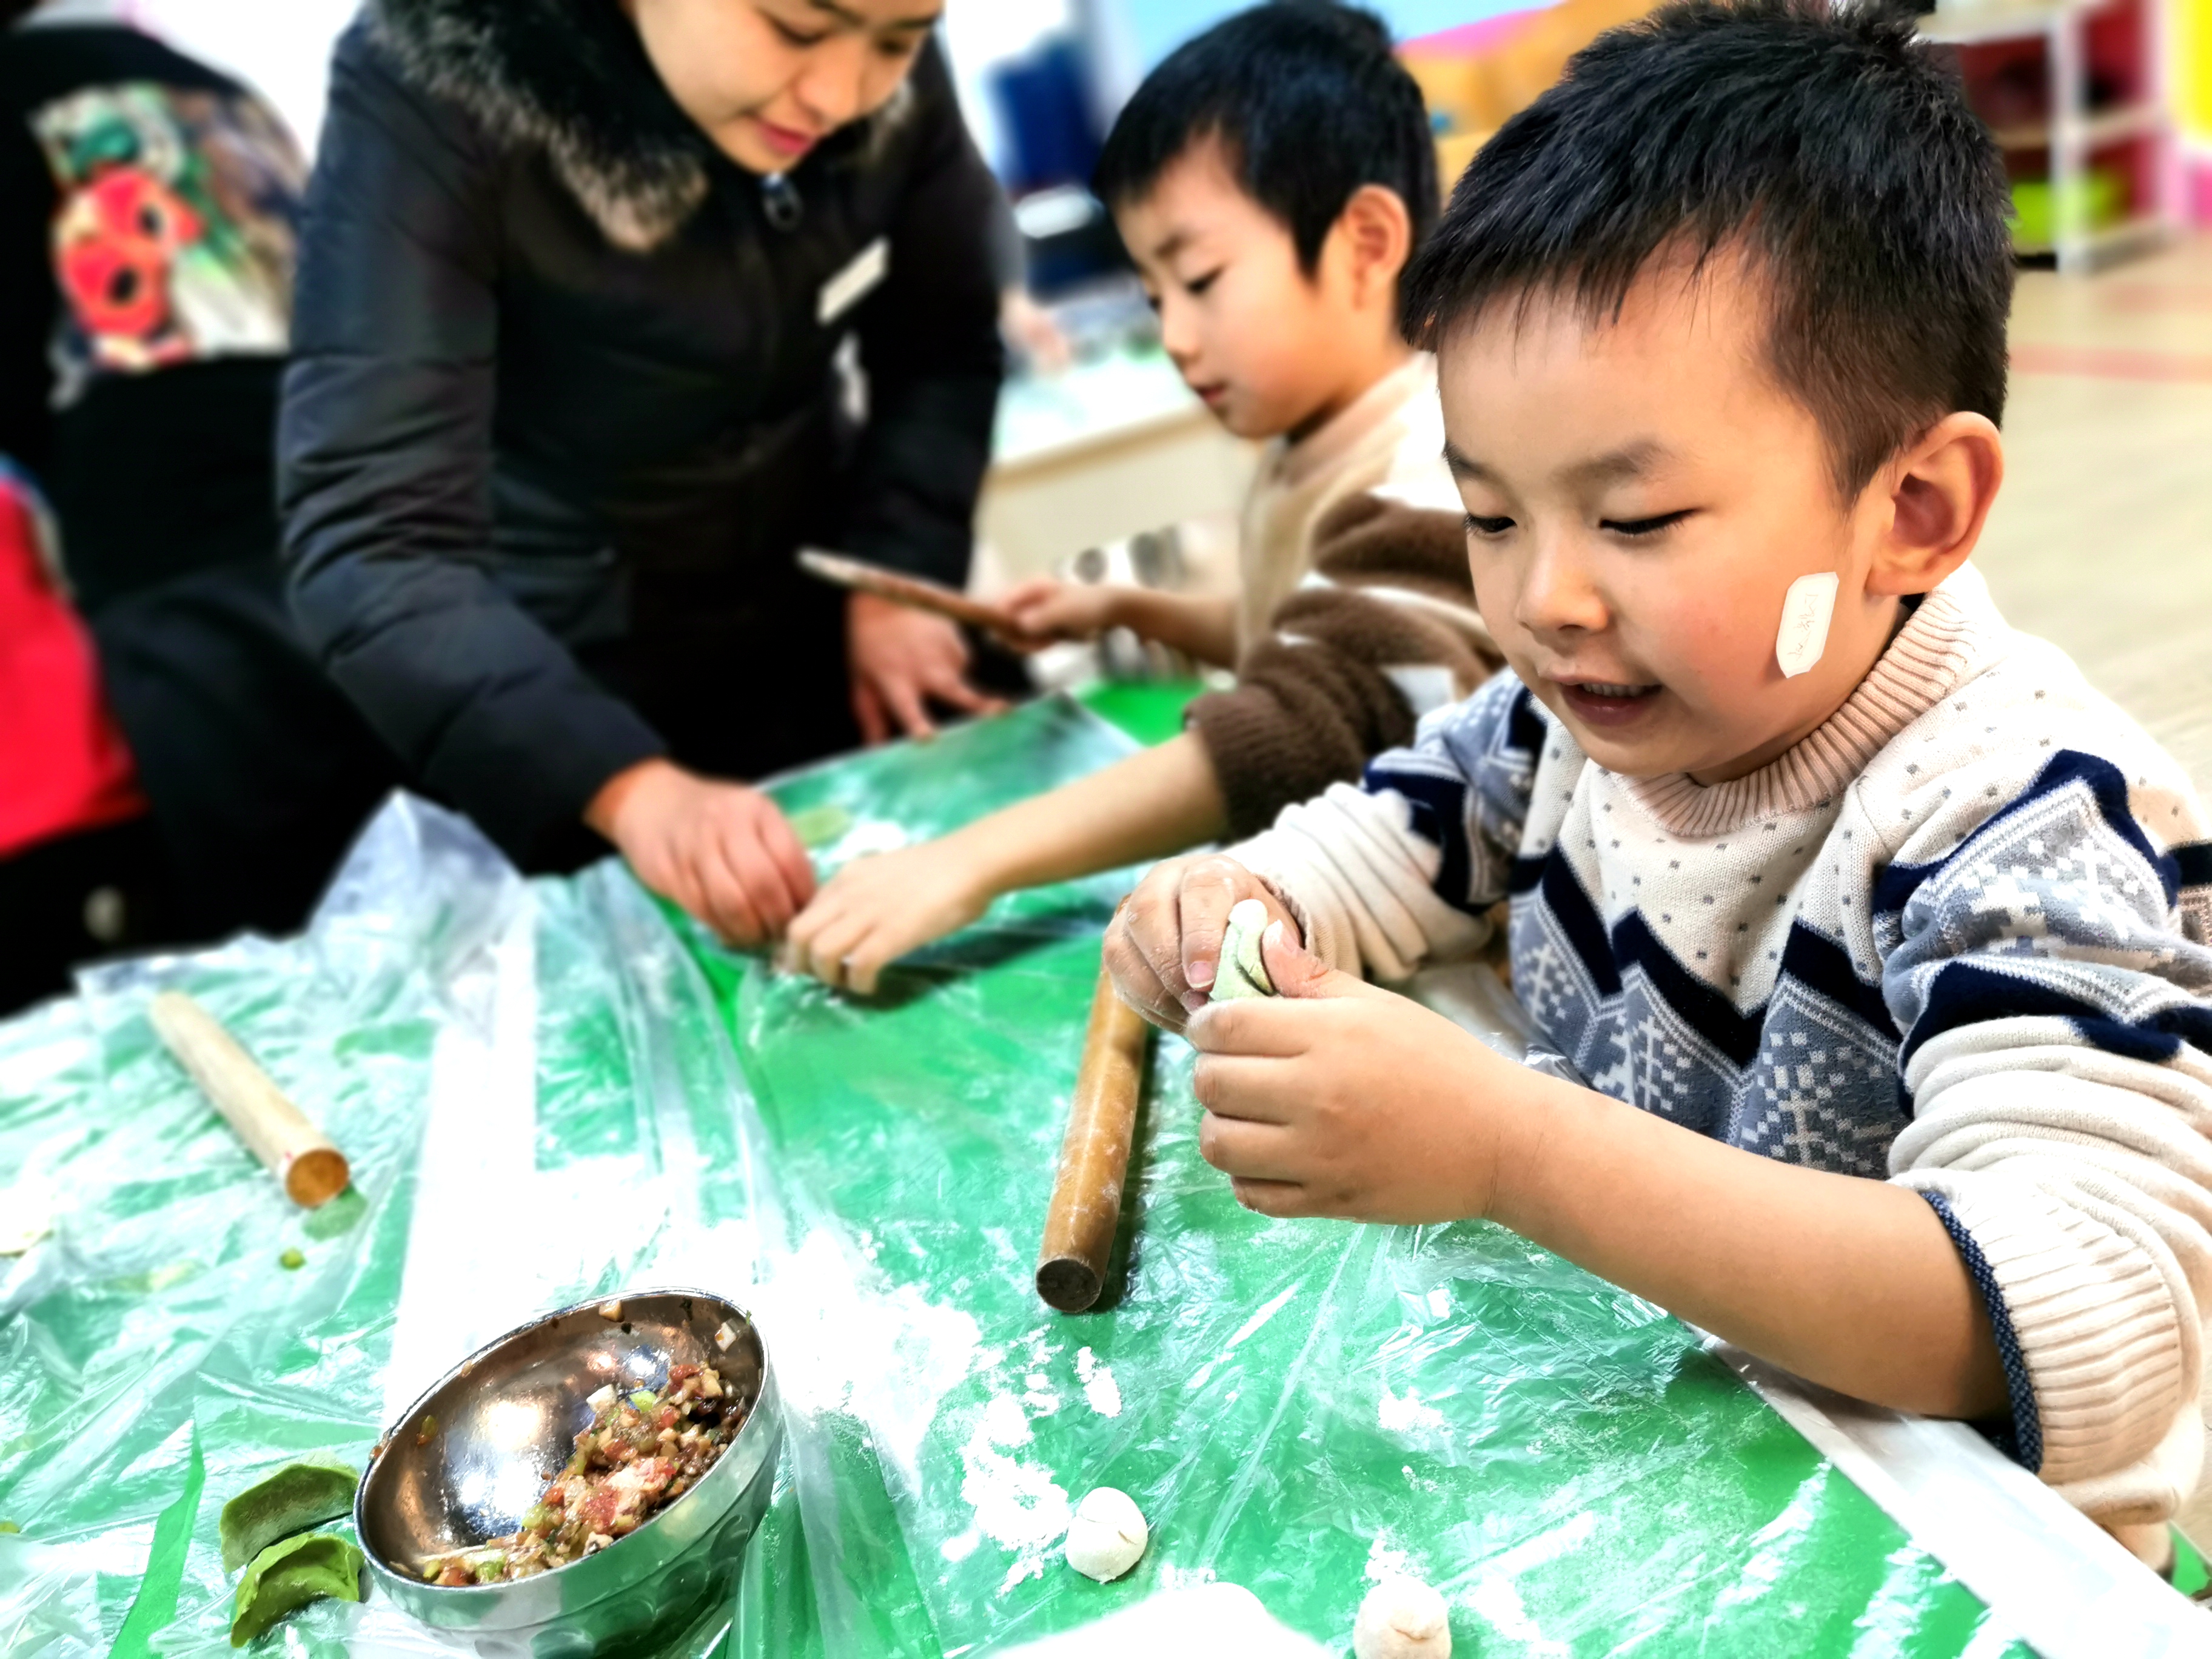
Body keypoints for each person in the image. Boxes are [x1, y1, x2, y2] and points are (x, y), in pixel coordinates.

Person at [1105, 0, 2212, 1563]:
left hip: (1950, 1566)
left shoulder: (2029, 821)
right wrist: (1245, 900)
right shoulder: (1576, 721)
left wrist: (1503, 1151)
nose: (1544, 600)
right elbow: (1406, 829)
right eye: (1493, 518)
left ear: (1913, 509)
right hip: (1683, 1451)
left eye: (1633, 522)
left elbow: (2074, 1307)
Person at [783, 4, 1496, 993]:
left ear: (1366, 244)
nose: (1176, 337)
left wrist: (969, 860)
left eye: (1201, 280)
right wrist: (1128, 608)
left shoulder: (1429, 459)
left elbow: (1310, 722)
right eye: (1157, 297)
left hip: (1445, 964)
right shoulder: (1310, 442)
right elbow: (1292, 630)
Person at [278, 0, 1010, 946]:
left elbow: (944, 346)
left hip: (825, 630)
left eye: (901, 42)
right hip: (568, 686)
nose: (838, 94)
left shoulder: (870, 34)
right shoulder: (433, 75)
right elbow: (373, 540)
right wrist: (626, 789)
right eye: (794, 30)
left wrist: (896, 575)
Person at [0, 1, 397, 948]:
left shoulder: (12, 95)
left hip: (178, 558)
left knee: (280, 931)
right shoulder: (210, 84)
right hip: (359, 510)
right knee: (419, 871)